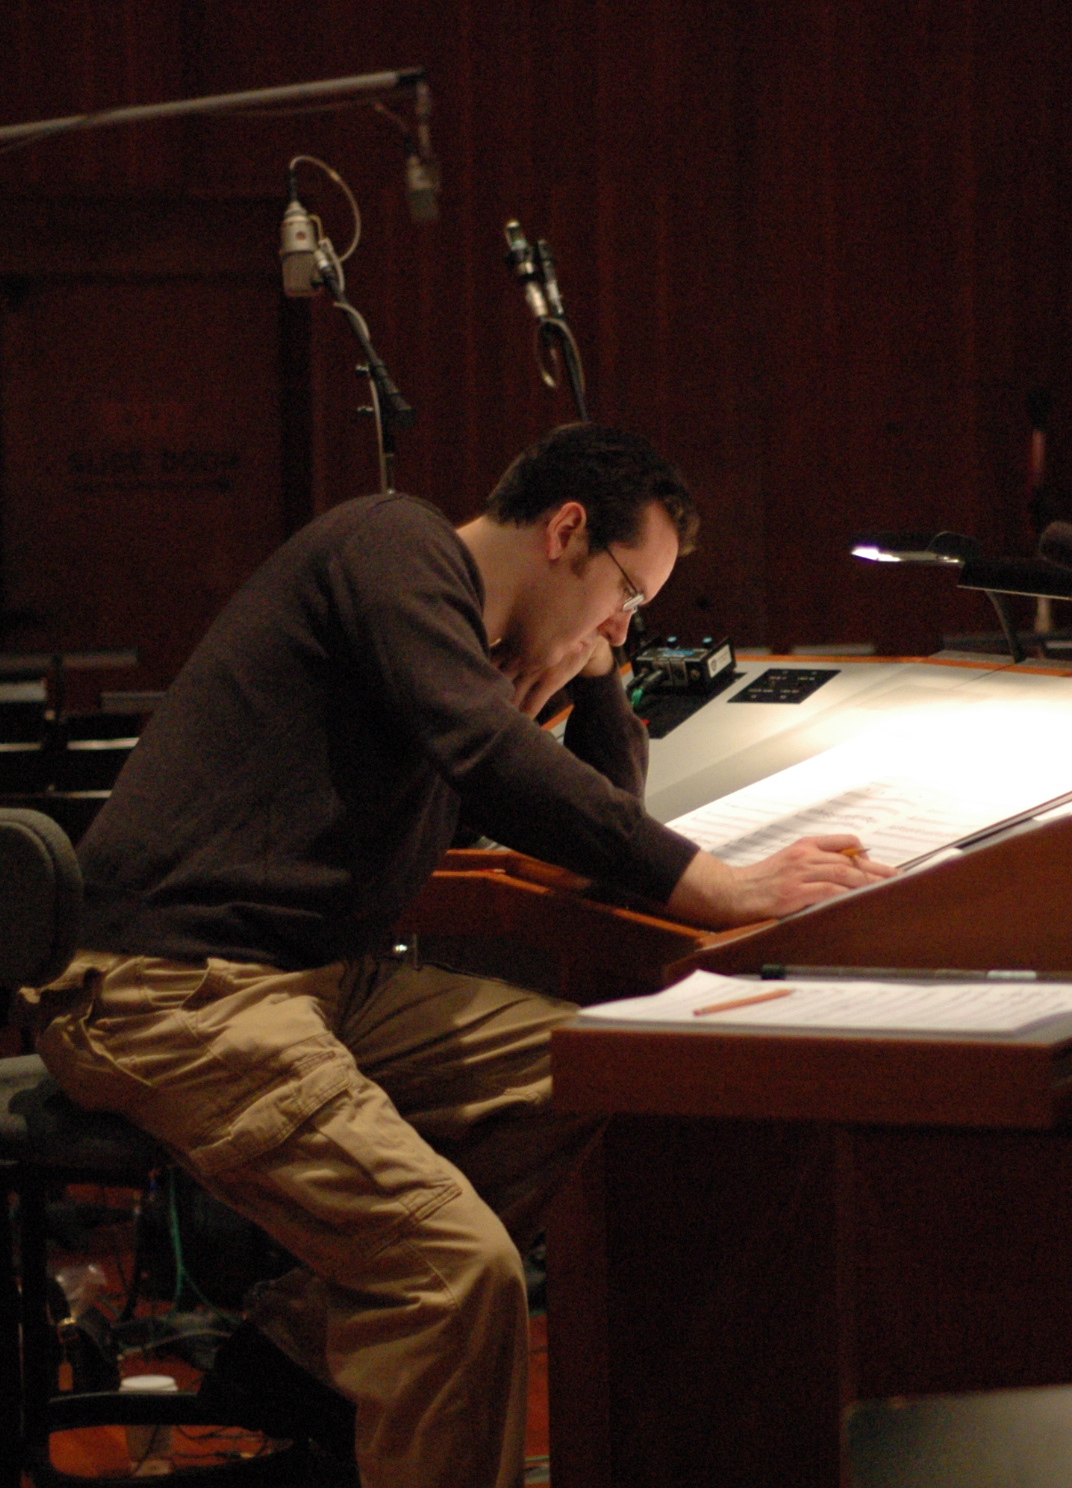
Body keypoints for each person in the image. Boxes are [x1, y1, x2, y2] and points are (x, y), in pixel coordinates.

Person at [21, 423, 892, 1488]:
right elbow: (492, 758)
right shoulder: (393, 550)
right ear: (566, 529)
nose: (625, 623)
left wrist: (602, 676)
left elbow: (588, 826)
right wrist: (719, 886)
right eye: (627, 592)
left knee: (623, 1067)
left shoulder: (477, 658)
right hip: (169, 991)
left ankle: (297, 1348)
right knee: (457, 1277)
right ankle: (326, 1351)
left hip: (315, 986)